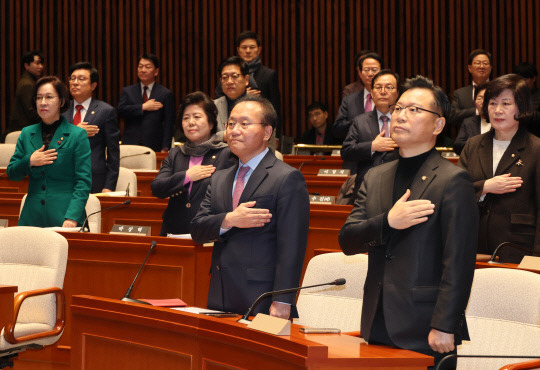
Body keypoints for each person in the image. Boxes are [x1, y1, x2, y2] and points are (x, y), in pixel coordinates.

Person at [339, 75, 478, 369]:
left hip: (425, 327)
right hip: (376, 320)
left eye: (414, 110)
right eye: (399, 108)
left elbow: (458, 262)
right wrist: (387, 222)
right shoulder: (375, 175)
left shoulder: (454, 181)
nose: (401, 115)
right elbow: (348, 240)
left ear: (438, 125)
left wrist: (444, 324)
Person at [191, 96, 309, 319]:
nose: (234, 130)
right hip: (220, 291)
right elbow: (198, 229)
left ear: (267, 132)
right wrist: (229, 220)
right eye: (231, 123)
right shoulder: (219, 178)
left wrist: (282, 300)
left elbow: (291, 247)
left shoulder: (287, 178)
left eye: (244, 124)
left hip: (262, 298)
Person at [458, 74, 540, 263]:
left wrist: (537, 259)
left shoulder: (536, 149)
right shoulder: (473, 145)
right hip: (474, 245)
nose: (497, 110)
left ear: (522, 107)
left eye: (506, 103)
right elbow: (453, 192)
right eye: (492, 103)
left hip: (517, 248)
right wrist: (485, 186)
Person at [7, 76, 92, 227]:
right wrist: (30, 161)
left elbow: (83, 182)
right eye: (39, 98)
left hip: (65, 215)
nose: (43, 102)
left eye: (49, 97)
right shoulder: (27, 133)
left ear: (61, 101)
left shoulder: (77, 135)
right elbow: (12, 173)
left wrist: (72, 217)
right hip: (31, 216)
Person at [151, 92, 236, 236]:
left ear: (210, 123)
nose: (191, 122)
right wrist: (187, 176)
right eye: (186, 118)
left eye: (197, 117)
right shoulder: (176, 154)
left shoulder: (227, 154)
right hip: (174, 232)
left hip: (210, 234)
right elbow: (157, 188)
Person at [62, 62, 120, 193]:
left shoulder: (106, 111)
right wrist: (76, 131)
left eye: (81, 79)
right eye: (72, 78)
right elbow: (52, 143)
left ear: (93, 85)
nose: (75, 82)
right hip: (62, 178)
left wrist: (109, 186)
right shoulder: (60, 110)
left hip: (93, 179)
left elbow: (113, 153)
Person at [341, 70, 400, 197]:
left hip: (398, 187)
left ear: (397, 93)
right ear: (372, 93)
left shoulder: (405, 121)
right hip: (365, 190)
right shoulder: (359, 121)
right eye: (378, 87)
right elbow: (346, 151)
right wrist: (372, 146)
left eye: (389, 87)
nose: (383, 91)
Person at [215, 30, 281, 137]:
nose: (248, 51)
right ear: (238, 50)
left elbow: (275, 107)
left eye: (252, 47)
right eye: (244, 47)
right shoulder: (226, 75)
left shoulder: (268, 75)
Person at [118, 53, 175, 152]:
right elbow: (120, 111)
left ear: (156, 71)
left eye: (147, 67)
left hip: (154, 144)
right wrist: (142, 107)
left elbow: (169, 123)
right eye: (140, 66)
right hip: (130, 143)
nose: (143, 70)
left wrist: (166, 147)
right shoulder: (128, 91)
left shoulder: (165, 93)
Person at [333, 52, 384, 139]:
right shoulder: (349, 100)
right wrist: (362, 121)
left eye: (375, 70)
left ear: (382, 72)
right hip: (358, 148)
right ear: (360, 73)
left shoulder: (391, 97)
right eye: (367, 70)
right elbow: (338, 129)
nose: (371, 74)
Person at [3, 50, 44, 139]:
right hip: (22, 131)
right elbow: (32, 112)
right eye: (37, 63)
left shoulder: (29, 81)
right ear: (26, 65)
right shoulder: (28, 84)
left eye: (41, 63)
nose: (41, 66)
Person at [450, 49, 492, 127]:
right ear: (470, 68)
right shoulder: (460, 94)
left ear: (490, 68)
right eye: (478, 63)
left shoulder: (499, 90)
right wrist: (477, 111)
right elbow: (453, 116)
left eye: (485, 63)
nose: (481, 66)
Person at [214, 56, 249, 136]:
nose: (229, 81)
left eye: (235, 76)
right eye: (225, 77)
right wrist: (223, 136)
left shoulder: (260, 106)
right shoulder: (212, 107)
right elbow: (203, 139)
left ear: (246, 80)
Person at [452, 84, 489, 155]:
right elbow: (458, 146)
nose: (483, 101)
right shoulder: (468, 122)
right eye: (480, 98)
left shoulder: (499, 122)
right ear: (475, 102)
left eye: (486, 98)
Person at [513, 62, 540, 137]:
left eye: (525, 79)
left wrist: (522, 111)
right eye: (519, 79)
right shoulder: (511, 96)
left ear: (533, 78)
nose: (522, 82)